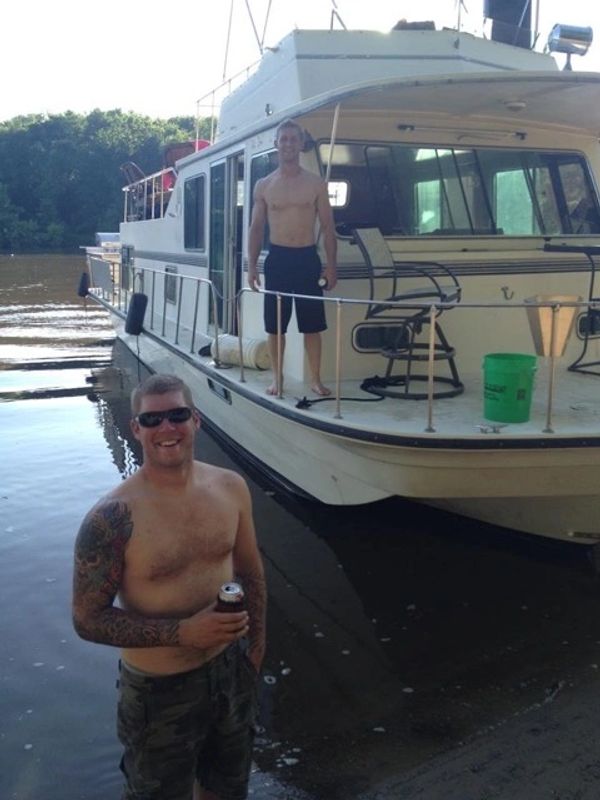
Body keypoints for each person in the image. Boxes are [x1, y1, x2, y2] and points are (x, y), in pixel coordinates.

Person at [72, 373, 266, 800]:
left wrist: (254, 652)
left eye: (177, 415)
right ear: (135, 428)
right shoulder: (111, 518)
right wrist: (182, 633)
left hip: (230, 672)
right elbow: (87, 620)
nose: (167, 429)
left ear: (195, 420)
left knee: (227, 788)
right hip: (160, 692)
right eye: (153, 419)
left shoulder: (231, 488)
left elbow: (250, 572)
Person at [248, 118, 338, 396]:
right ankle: (278, 379)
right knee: (276, 327)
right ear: (276, 144)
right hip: (278, 260)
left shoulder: (316, 184)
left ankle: (316, 379)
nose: (288, 143)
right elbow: (256, 227)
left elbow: (327, 226)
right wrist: (252, 266)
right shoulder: (264, 185)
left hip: (307, 259)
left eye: (293, 139)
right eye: (283, 139)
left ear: (301, 144)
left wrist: (332, 266)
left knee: (312, 326)